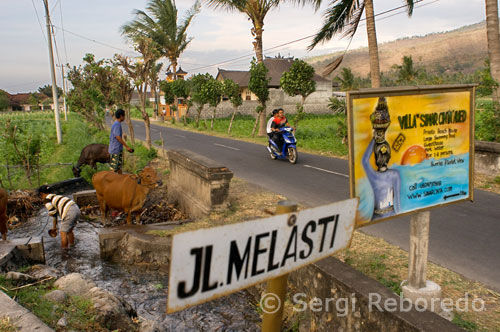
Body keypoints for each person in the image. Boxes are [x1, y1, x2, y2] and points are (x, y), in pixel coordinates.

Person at [37, 185, 80, 249]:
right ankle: (72, 246)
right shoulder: (55, 196)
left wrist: (54, 227)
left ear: (41, 194)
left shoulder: (46, 200)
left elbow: (53, 213)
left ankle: (65, 252)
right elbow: (54, 213)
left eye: (40, 196)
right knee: (69, 231)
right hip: (76, 208)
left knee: (63, 232)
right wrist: (54, 227)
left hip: (69, 211)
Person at [109, 109, 134, 174]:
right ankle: (110, 182)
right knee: (114, 168)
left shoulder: (116, 123)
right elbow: (117, 137)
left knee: (119, 167)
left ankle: (121, 180)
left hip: (117, 149)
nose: (124, 117)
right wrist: (127, 147)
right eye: (124, 116)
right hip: (115, 149)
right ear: (121, 116)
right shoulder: (117, 124)